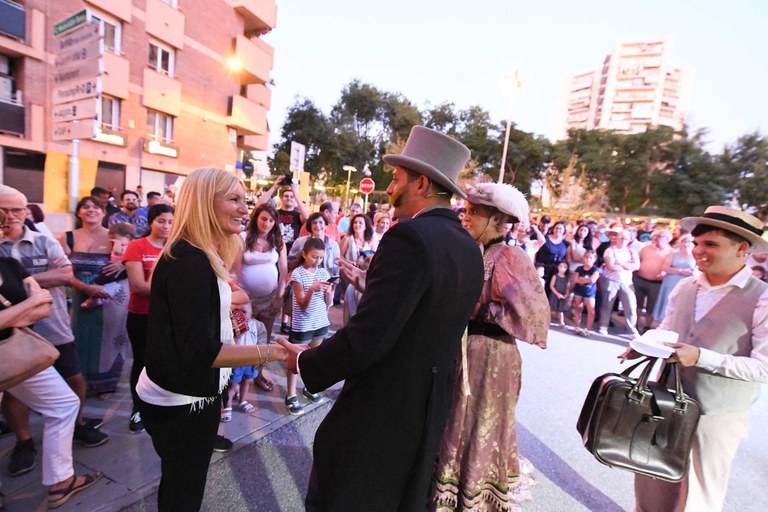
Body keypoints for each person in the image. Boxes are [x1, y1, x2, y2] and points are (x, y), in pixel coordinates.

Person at [278, 126, 483, 511]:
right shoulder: (467, 247)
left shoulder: (409, 238)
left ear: (421, 183)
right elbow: (420, 316)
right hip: (429, 405)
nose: (390, 189)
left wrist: (304, 361)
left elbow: (370, 335)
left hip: (383, 412)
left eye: (396, 179)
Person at [137, 167, 288, 512]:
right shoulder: (189, 261)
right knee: (183, 492)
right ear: (206, 201)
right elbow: (201, 352)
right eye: (234, 199)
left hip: (181, 395)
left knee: (178, 483)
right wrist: (273, 352)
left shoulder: (194, 253)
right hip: (182, 403)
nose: (244, 209)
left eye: (244, 200)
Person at [628, 206, 768, 512]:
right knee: (652, 484)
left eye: (710, 244)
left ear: (742, 249)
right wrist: (645, 345)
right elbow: (667, 329)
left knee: (699, 496)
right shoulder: (685, 285)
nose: (698, 251)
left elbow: (763, 368)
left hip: (718, 415)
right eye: (696, 243)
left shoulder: (762, 298)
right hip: (665, 402)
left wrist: (701, 357)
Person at [432, 182, 549, 512]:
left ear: (497, 219)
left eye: (474, 213)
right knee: (455, 419)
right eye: (465, 211)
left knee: (479, 422)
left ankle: (473, 497)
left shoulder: (510, 256)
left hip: (490, 357)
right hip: (462, 351)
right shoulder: (471, 251)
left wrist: (484, 310)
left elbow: (536, 314)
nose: (465, 218)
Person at [0, 186, 108, 467]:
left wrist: (22, 282)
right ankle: (24, 442)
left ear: (27, 212)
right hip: (10, 337)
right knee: (14, 387)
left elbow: (65, 273)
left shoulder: (43, 241)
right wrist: (34, 289)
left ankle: (78, 424)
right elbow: (55, 277)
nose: (10, 216)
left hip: (53, 324)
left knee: (74, 378)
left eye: (17, 210)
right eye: (4, 209)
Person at [60, 198, 130, 398]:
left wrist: (124, 264)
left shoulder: (114, 235)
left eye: (96, 207)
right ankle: (79, 383)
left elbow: (132, 259)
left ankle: (106, 384)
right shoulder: (67, 237)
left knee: (110, 340)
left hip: (111, 295)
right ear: (78, 213)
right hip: (79, 293)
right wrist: (82, 286)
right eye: (86, 207)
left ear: (104, 212)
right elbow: (59, 267)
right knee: (78, 338)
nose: (91, 210)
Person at [123, 203, 174, 433]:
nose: (166, 226)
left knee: (165, 362)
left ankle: (160, 405)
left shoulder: (175, 248)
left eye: (171, 222)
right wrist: (174, 292)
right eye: (161, 221)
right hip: (142, 315)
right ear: (151, 222)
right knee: (141, 362)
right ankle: (138, 409)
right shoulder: (137, 246)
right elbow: (138, 286)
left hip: (169, 317)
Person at [235, 203, 288, 393]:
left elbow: (284, 270)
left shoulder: (278, 241)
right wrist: (240, 297)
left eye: (271, 220)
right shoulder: (243, 237)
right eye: (263, 218)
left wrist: (279, 297)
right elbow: (235, 268)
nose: (267, 223)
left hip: (269, 297)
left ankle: (258, 373)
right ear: (256, 218)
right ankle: (235, 377)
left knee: (263, 338)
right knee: (241, 338)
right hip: (244, 299)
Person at [284, 237, 334, 415]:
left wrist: (328, 293)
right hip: (303, 324)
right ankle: (290, 394)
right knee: (295, 359)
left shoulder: (323, 273)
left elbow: (329, 304)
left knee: (313, 357)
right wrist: (312, 289)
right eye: (314, 257)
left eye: (320, 258)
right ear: (304, 254)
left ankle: (308, 388)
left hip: (320, 322)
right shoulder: (298, 274)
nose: (317, 261)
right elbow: (302, 304)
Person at [598, 227, 641, 338]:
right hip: (611, 280)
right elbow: (611, 266)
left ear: (629, 240)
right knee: (607, 304)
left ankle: (631, 330)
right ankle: (603, 326)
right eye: (621, 237)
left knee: (631, 306)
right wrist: (628, 265)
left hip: (627, 282)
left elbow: (636, 266)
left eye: (625, 238)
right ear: (616, 238)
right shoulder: (610, 250)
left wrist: (621, 263)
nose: (623, 240)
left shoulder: (632, 252)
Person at [634, 228, 674, 331]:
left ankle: (647, 326)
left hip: (656, 283)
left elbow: (671, 267)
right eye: (655, 236)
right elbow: (637, 260)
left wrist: (664, 273)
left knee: (651, 307)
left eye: (660, 236)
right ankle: (635, 324)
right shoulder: (646, 248)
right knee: (637, 304)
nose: (656, 239)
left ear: (668, 239)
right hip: (639, 279)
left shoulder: (671, 252)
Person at [651, 233, 696, 324]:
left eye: (689, 242)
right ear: (680, 243)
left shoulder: (695, 256)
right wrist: (681, 271)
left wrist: (694, 272)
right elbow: (664, 268)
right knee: (668, 304)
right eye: (684, 242)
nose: (686, 244)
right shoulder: (673, 254)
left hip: (687, 285)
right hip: (671, 283)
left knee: (681, 306)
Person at [534, 220, 569, 296]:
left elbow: (565, 258)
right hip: (542, 268)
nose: (558, 230)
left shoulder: (565, 243)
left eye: (560, 229)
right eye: (557, 228)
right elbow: (536, 252)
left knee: (550, 292)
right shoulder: (545, 239)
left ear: (564, 231)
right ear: (553, 228)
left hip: (556, 271)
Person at [571, 250, 600, 336]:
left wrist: (581, 280)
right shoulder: (579, 268)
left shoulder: (595, 269)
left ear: (594, 259)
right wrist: (585, 280)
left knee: (591, 311)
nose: (588, 259)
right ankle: (577, 326)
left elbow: (592, 280)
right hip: (578, 291)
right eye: (586, 257)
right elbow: (575, 279)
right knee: (578, 308)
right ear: (583, 258)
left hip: (589, 293)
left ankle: (587, 329)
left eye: (591, 257)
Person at [549, 260, 570, 328]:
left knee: (560, 310)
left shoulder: (567, 278)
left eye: (565, 267)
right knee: (551, 308)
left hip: (562, 296)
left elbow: (568, 287)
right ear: (558, 267)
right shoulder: (555, 276)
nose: (562, 268)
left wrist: (566, 294)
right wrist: (557, 294)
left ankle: (561, 322)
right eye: (561, 266)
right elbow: (551, 286)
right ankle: (547, 320)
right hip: (555, 295)